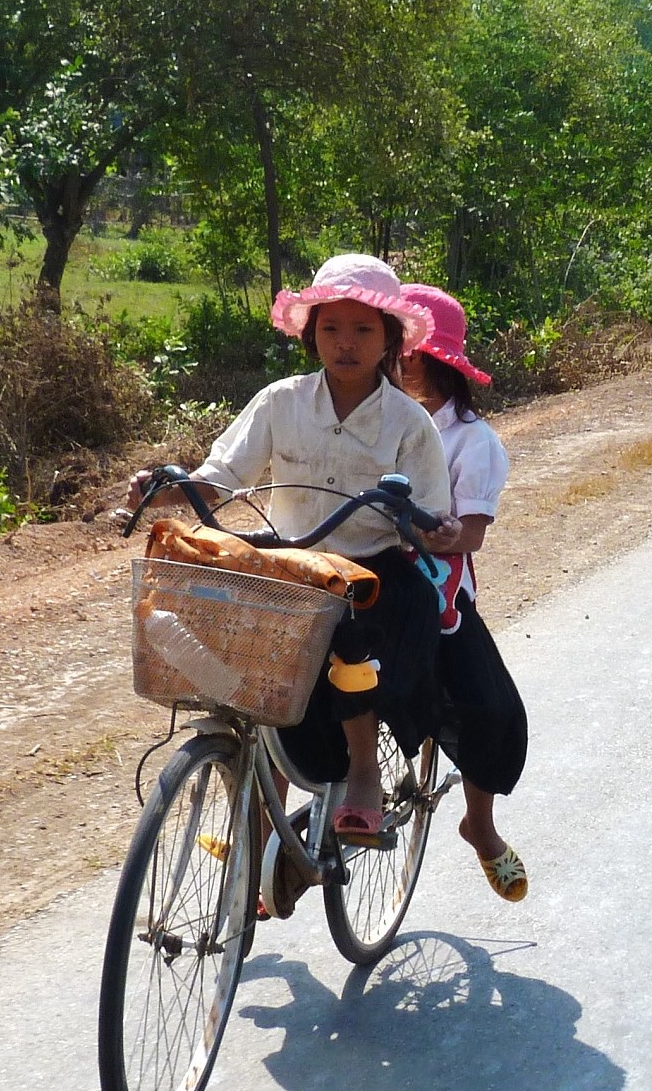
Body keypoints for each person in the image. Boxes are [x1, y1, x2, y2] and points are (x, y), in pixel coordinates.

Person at [125, 253, 453, 846]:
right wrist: (167, 487)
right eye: (331, 328)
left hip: (369, 572)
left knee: (351, 635)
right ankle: (257, 820)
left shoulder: (408, 422)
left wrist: (434, 529)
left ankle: (362, 772)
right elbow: (221, 475)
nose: (345, 342)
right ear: (311, 334)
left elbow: (431, 512)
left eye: (363, 329)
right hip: (289, 563)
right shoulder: (280, 401)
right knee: (240, 647)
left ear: (389, 339)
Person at [398, 282, 531, 903]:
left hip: (433, 593)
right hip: (343, 572)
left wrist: (439, 532)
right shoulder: (360, 414)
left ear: (438, 361)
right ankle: (264, 834)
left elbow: (471, 534)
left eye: (411, 352)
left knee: (488, 710)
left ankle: (479, 823)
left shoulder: (472, 441)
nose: (401, 363)